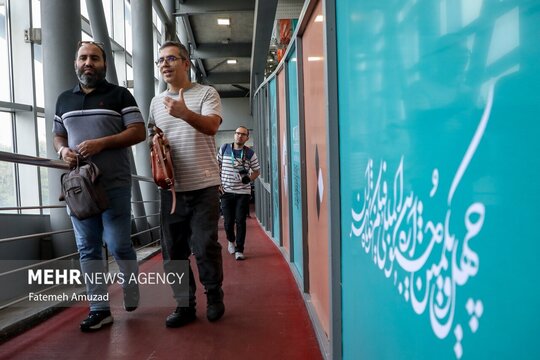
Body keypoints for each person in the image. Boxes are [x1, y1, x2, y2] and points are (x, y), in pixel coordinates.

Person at [53, 41, 146, 332]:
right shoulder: (64, 100)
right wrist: (62, 151)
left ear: (104, 64)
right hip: (79, 187)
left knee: (119, 244)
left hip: (114, 183)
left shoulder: (120, 95)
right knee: (87, 248)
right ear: (75, 63)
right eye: (83, 57)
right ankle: (99, 309)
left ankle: (131, 287)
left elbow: (138, 131)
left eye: (94, 58)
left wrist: (101, 143)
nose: (88, 63)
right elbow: (58, 134)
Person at [147, 41, 225, 328]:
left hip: (204, 186)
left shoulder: (206, 93)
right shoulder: (156, 102)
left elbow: (211, 126)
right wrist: (156, 142)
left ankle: (214, 296)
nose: (164, 64)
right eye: (160, 61)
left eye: (170, 58)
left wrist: (184, 113)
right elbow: (153, 136)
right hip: (171, 189)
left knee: (205, 246)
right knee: (173, 252)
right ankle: (184, 305)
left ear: (186, 63)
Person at [217, 127, 260, 260]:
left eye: (243, 134)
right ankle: (231, 241)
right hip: (226, 191)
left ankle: (239, 249)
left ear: (247, 137)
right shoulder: (224, 148)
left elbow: (257, 171)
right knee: (228, 222)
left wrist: (248, 179)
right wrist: (218, 184)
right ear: (234, 135)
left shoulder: (250, 153)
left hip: (243, 193)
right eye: (237, 133)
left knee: (241, 221)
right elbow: (216, 166)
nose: (239, 136)